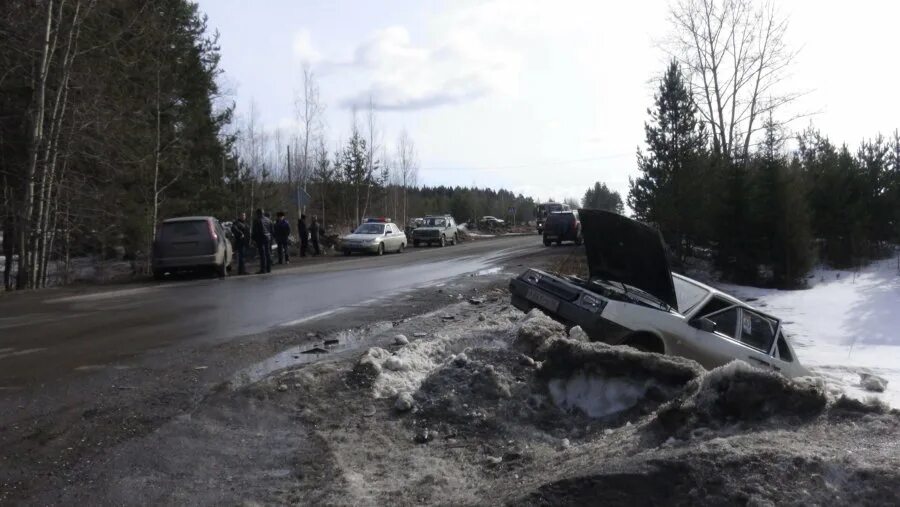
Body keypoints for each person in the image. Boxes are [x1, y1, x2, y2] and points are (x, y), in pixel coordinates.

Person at [251, 208, 273, 274]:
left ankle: (263, 269)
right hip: (268, 238)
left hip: (261, 238)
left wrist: (253, 239)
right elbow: (271, 230)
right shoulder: (268, 220)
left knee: (262, 254)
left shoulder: (257, 220)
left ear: (258, 213)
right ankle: (269, 268)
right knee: (268, 253)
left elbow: (255, 231)